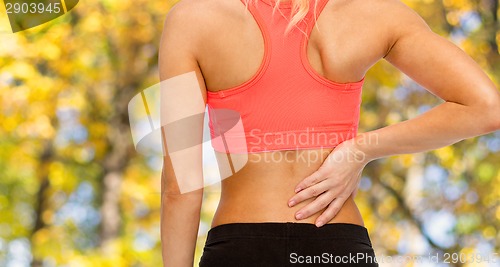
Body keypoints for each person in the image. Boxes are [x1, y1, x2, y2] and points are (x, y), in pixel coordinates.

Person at [158, 0, 500, 266]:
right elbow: (486, 107)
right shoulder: (373, 13)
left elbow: (180, 187)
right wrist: (361, 150)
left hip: (240, 248)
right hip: (338, 246)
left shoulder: (193, 18)